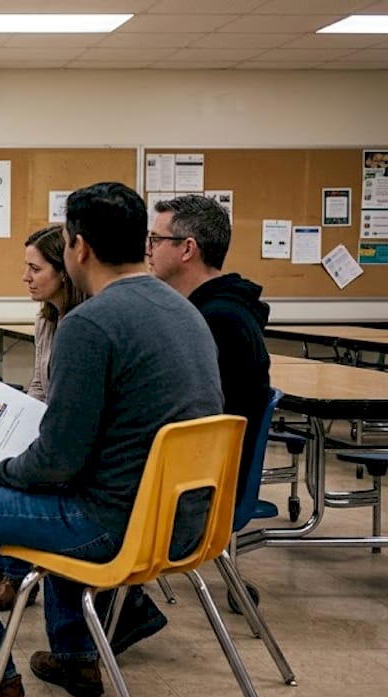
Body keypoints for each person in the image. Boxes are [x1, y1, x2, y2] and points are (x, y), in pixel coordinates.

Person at [0, 182, 223, 697]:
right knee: (58, 489)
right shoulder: (183, 310)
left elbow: (56, 461)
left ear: (77, 247)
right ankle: (76, 654)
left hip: (118, 525)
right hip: (188, 521)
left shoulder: (90, 323)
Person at [120, 193, 272, 652]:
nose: (147, 249)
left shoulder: (215, 321)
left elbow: (186, 421)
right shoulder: (216, 311)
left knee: (84, 478)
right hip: (203, 473)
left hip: (201, 489)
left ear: (187, 249)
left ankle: (114, 615)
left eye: (156, 239)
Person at [0, 224, 87, 612]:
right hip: (48, 429)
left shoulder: (85, 327)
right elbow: (39, 386)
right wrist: (17, 423)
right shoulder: (46, 319)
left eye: (35, 268)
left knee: (17, 476)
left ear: (64, 271)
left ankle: (10, 575)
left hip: (67, 447)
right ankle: (6, 570)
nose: (26, 277)